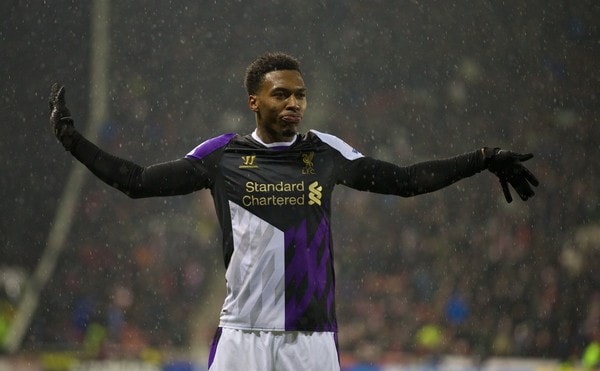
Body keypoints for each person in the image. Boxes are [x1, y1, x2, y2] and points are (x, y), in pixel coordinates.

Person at [49, 52, 538, 370]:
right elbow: (138, 183)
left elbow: (406, 181)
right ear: (254, 100)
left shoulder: (326, 152)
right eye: (281, 94)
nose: (294, 103)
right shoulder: (222, 156)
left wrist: (481, 159)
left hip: (310, 339)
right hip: (241, 336)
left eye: (300, 94)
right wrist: (74, 144)